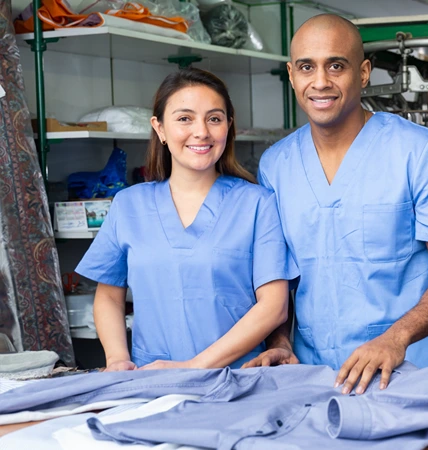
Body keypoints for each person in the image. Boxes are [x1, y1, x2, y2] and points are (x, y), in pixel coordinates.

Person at [246, 14, 428, 395]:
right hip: (315, 378)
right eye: (307, 67)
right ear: (292, 75)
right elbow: (277, 279)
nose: (320, 82)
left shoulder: (416, 151)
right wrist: (279, 343)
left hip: (411, 376)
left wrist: (396, 338)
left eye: (336, 65)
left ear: (364, 72)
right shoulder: (276, 165)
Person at [76, 68, 298, 371]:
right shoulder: (129, 205)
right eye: (184, 118)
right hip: (151, 382)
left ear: (228, 127)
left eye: (214, 118)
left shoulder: (257, 204)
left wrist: (193, 367)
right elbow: (109, 297)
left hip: (237, 381)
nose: (202, 131)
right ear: (160, 128)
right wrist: (117, 359)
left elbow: (274, 307)